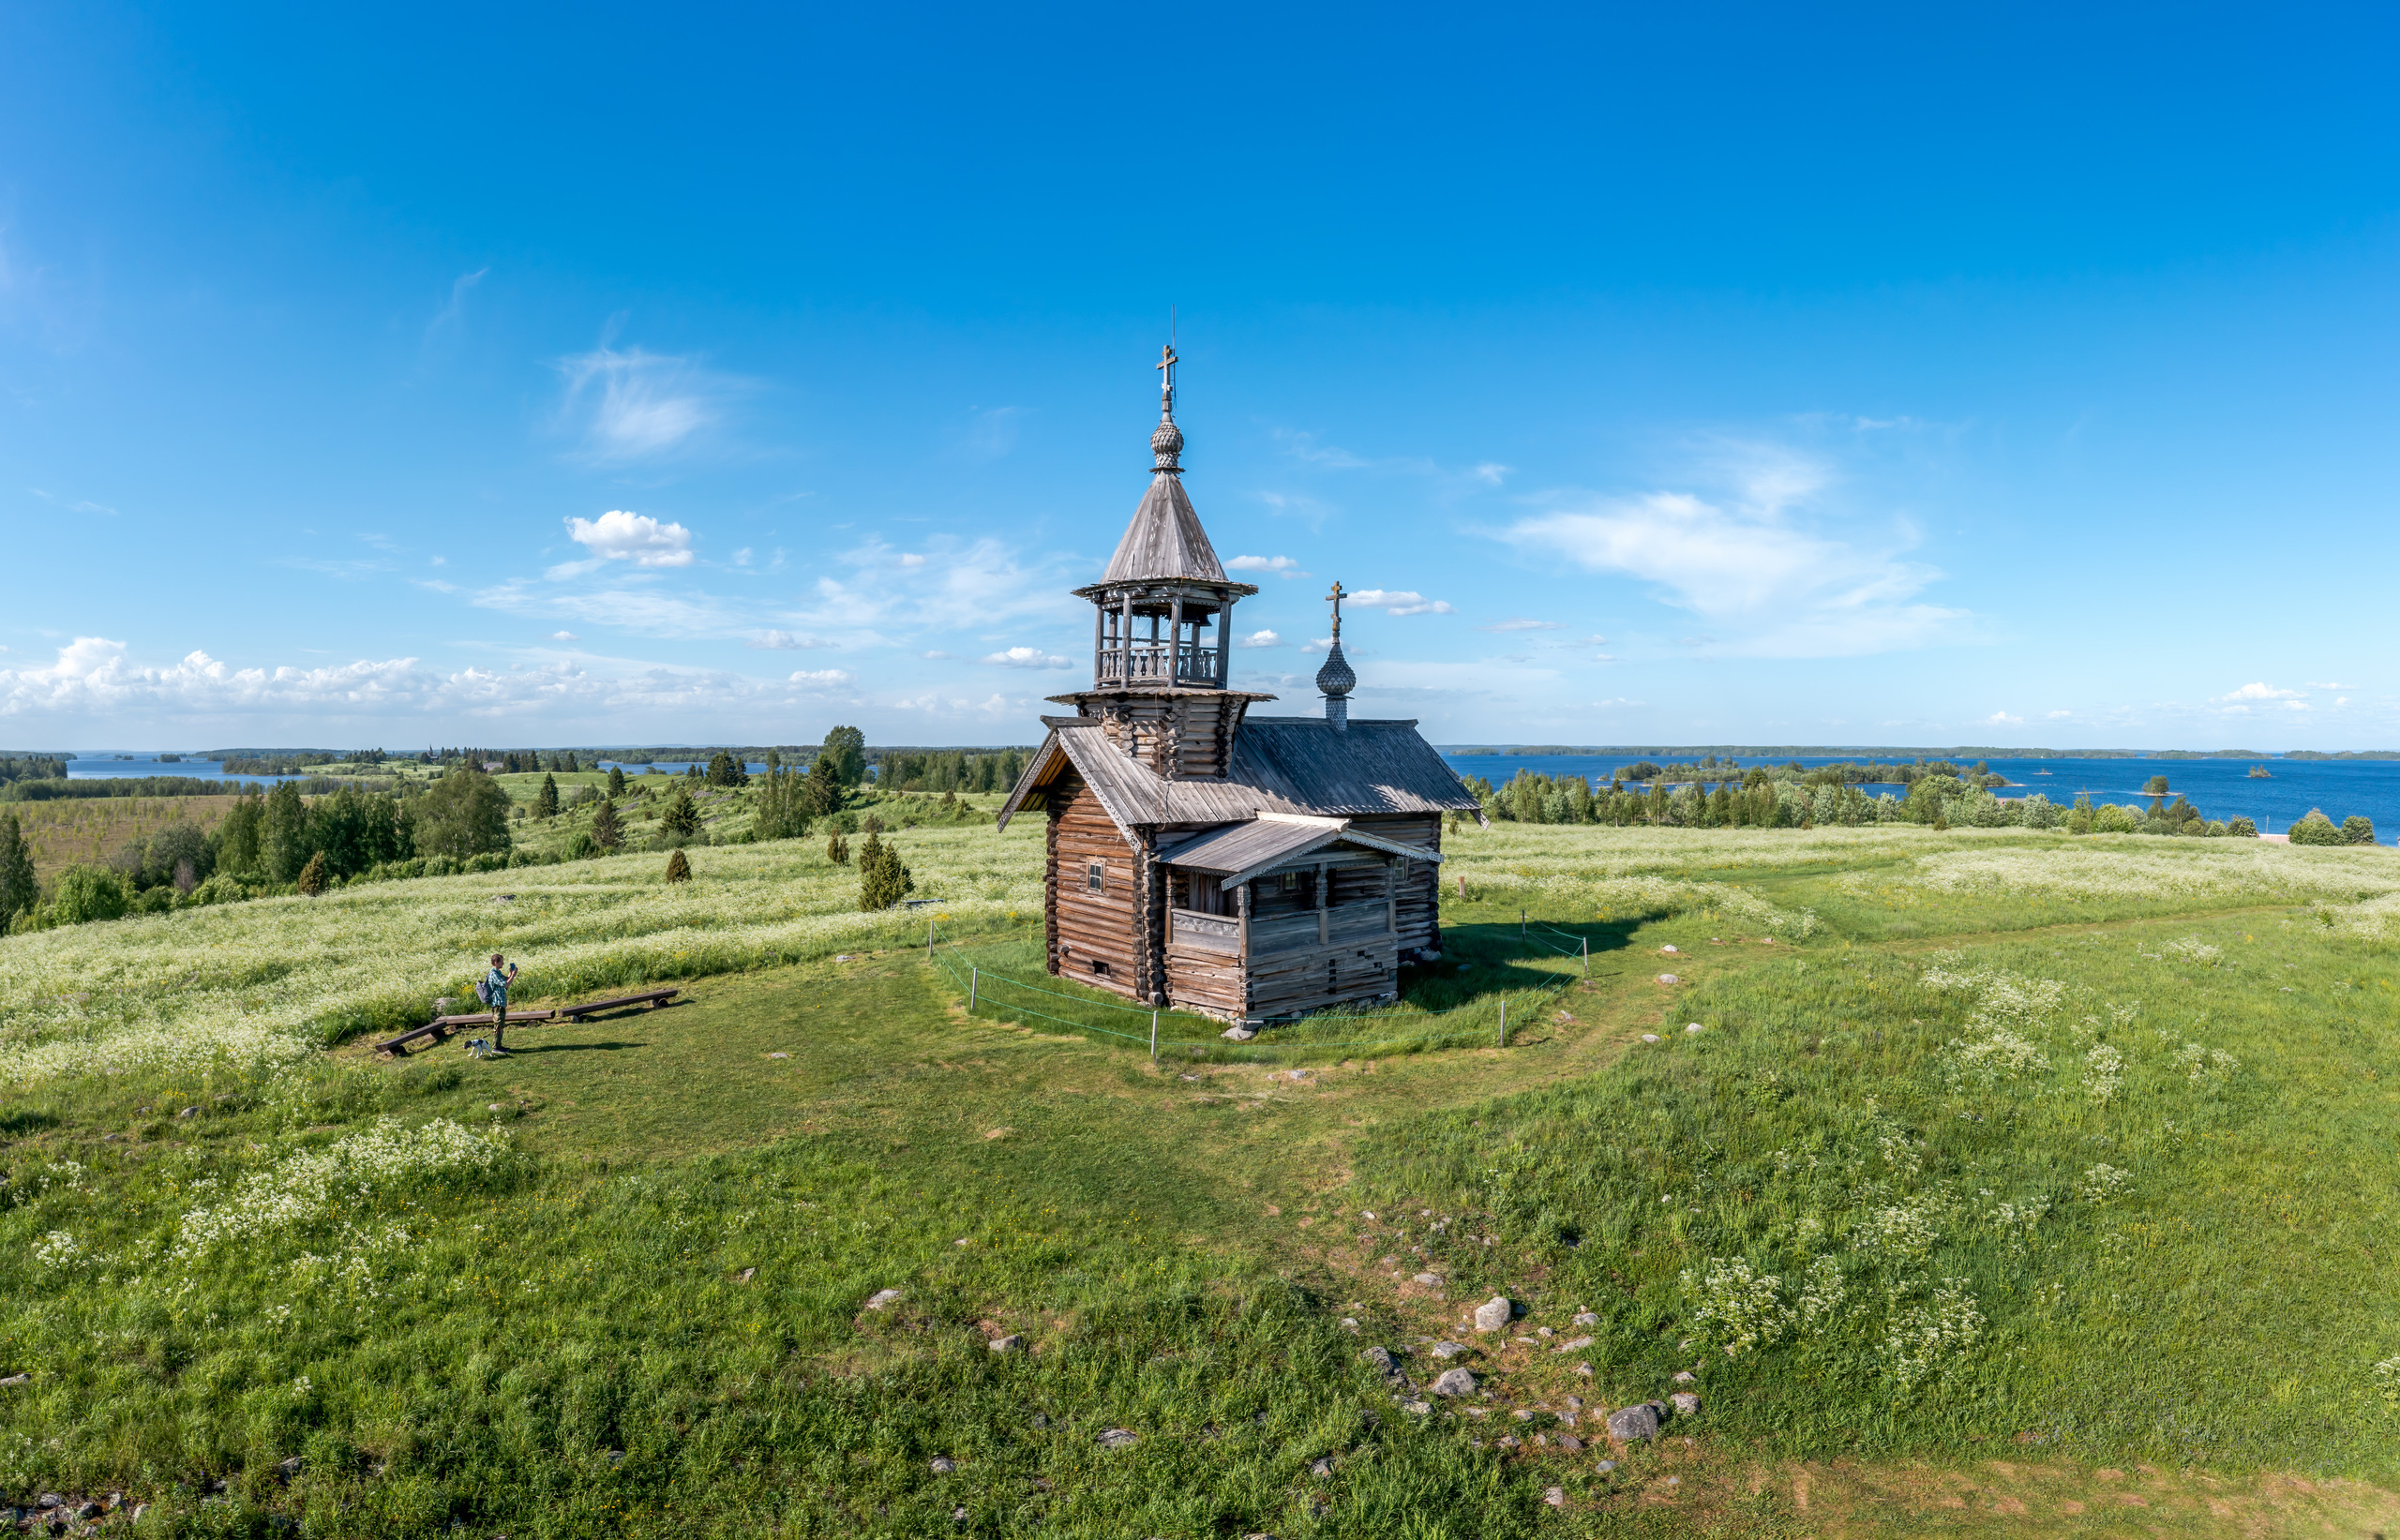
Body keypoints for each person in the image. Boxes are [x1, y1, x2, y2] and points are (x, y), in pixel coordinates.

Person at [484, 952, 519, 1056]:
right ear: (496, 962)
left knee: (501, 1025)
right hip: (497, 1003)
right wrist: (513, 975)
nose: (503, 963)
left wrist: (510, 974)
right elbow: (506, 985)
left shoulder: (497, 972)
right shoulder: (493, 974)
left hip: (501, 1003)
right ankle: (496, 1047)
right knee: (498, 1025)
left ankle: (499, 1045)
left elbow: (505, 981)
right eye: (501, 961)